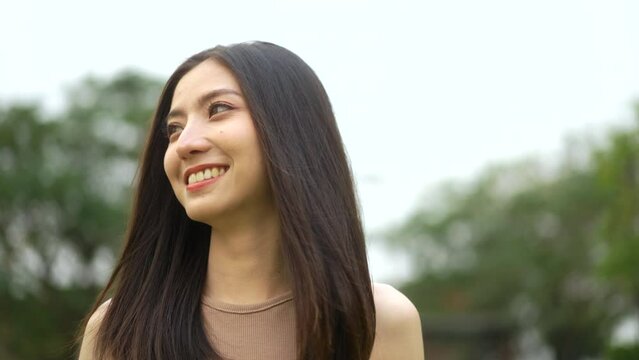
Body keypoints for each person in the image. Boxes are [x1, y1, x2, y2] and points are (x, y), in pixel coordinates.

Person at [78, 41, 424, 360]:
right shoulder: (118, 331)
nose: (184, 144)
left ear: (292, 130)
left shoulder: (378, 322)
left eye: (218, 109)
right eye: (174, 129)